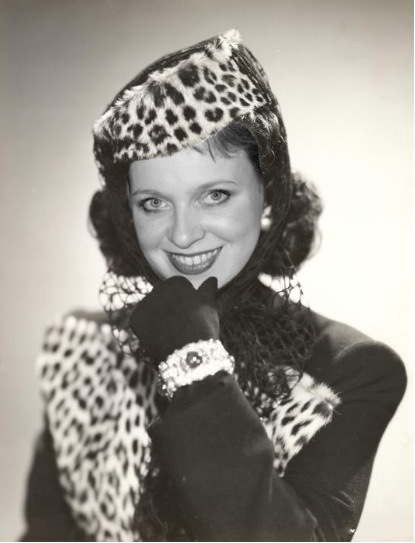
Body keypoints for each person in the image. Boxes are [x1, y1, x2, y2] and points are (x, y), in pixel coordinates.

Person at [21, 29, 406, 542]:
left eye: (215, 195)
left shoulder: (348, 371)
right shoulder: (83, 351)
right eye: (153, 203)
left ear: (269, 197)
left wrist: (194, 364)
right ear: (127, 212)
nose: (182, 235)